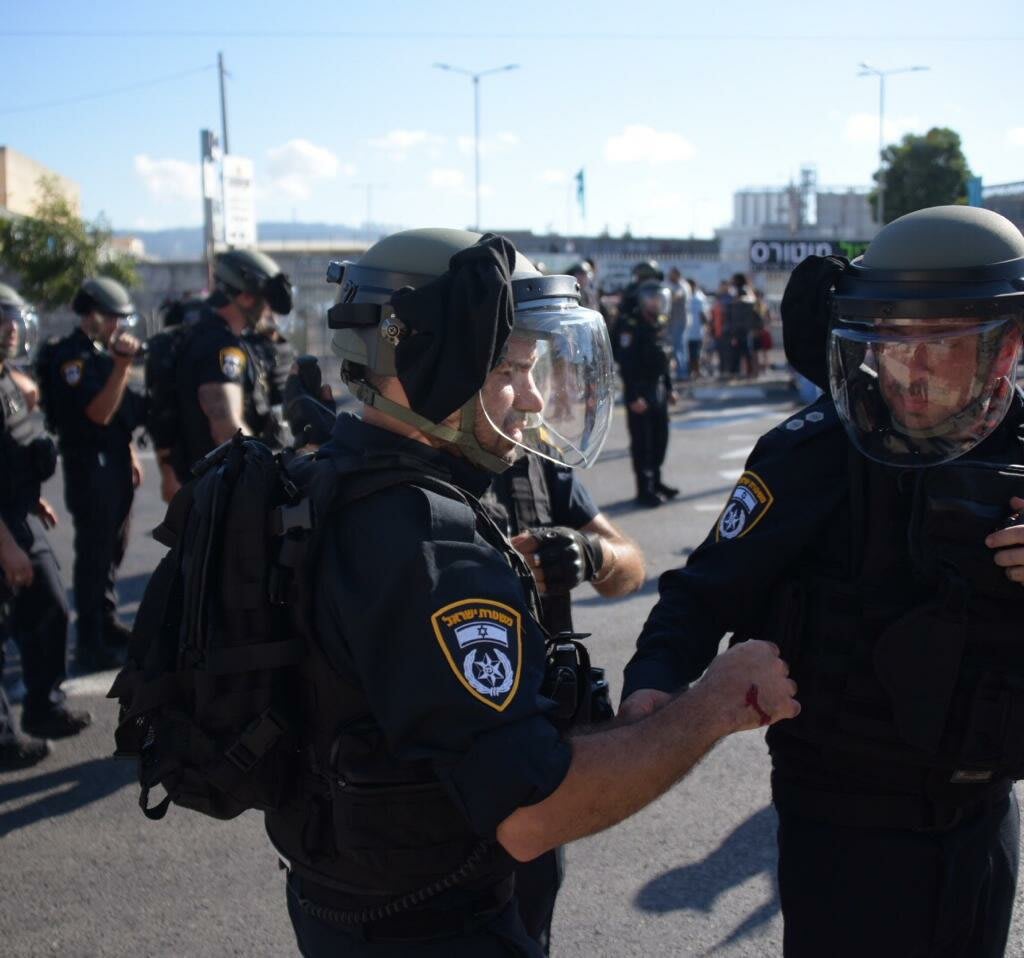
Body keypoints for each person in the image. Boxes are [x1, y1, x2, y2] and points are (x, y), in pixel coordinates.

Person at [268, 228, 799, 956]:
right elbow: (530, 812)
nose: (531, 396)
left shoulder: (333, 479)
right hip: (435, 919)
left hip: (354, 896)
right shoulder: (429, 545)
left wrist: (589, 560)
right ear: (423, 361)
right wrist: (712, 706)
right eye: (508, 369)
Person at [620, 205, 1024, 958]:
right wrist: (653, 686)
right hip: (845, 831)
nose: (912, 369)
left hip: (984, 819)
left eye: (944, 345)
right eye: (892, 342)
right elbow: (702, 590)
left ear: (1008, 346)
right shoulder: (810, 454)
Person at [479, 453, 645, 951]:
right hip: (430, 777)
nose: (529, 411)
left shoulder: (535, 463)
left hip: (534, 757)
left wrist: (593, 554)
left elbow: (631, 568)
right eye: (509, 371)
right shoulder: (397, 467)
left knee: (530, 926)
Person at [0, 283, 91, 768]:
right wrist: (6, 546)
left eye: (13, 319)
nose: (11, 329)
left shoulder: (8, 379)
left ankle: (43, 706)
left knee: (51, 605)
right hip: (3, 529)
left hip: (17, 514)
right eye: (1, 320)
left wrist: (30, 496)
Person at [40, 277, 145, 672]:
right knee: (94, 555)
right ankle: (89, 642)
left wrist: (129, 452)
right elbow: (98, 414)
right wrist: (122, 366)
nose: (117, 325)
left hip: (113, 460)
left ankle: (105, 621)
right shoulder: (72, 358)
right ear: (93, 315)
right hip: (89, 464)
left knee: (113, 549)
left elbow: (117, 416)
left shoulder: (101, 353)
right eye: (111, 317)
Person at [158, 248, 292, 500]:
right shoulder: (221, 347)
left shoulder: (212, 334)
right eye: (265, 302)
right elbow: (226, 428)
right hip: (221, 493)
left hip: (214, 488)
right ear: (246, 297)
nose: (268, 312)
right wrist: (273, 475)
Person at [615, 279, 678, 507]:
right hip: (640, 390)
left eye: (660, 299)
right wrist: (633, 396)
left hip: (658, 388)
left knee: (660, 440)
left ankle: (657, 483)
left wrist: (670, 388)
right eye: (653, 299)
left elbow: (664, 359)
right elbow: (626, 363)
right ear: (643, 301)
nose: (657, 303)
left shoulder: (659, 323)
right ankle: (645, 490)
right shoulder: (630, 325)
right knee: (643, 444)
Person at [685, 277, 708, 383]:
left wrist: (706, 326)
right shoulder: (688, 296)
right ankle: (692, 372)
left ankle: (696, 371)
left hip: (697, 330)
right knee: (691, 353)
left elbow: (703, 314)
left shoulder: (699, 297)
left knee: (696, 353)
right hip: (688, 331)